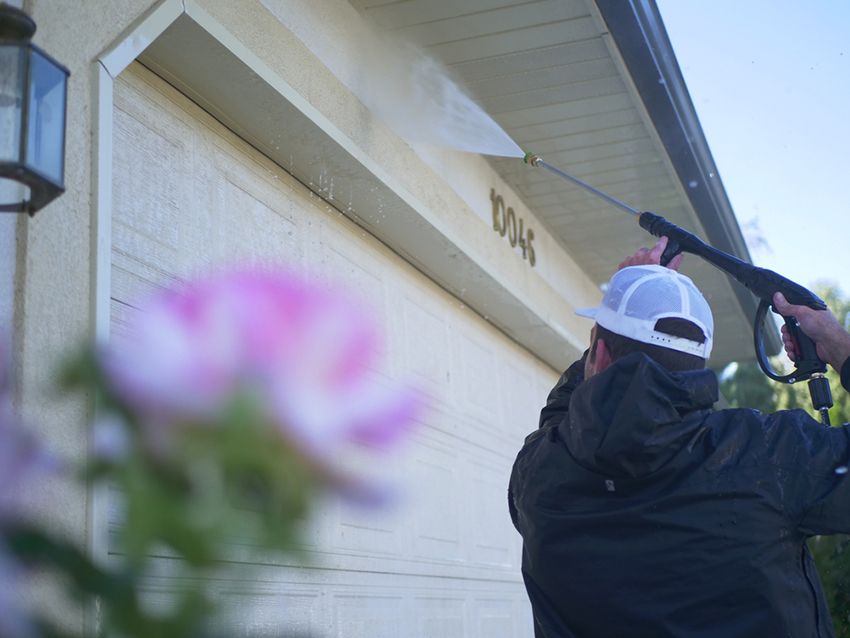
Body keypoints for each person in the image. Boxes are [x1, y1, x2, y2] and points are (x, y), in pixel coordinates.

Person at [508, 237, 850, 638]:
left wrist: (624, 297)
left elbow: (563, 411)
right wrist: (839, 345)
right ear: (698, 365)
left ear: (598, 355)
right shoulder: (768, 456)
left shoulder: (539, 476)